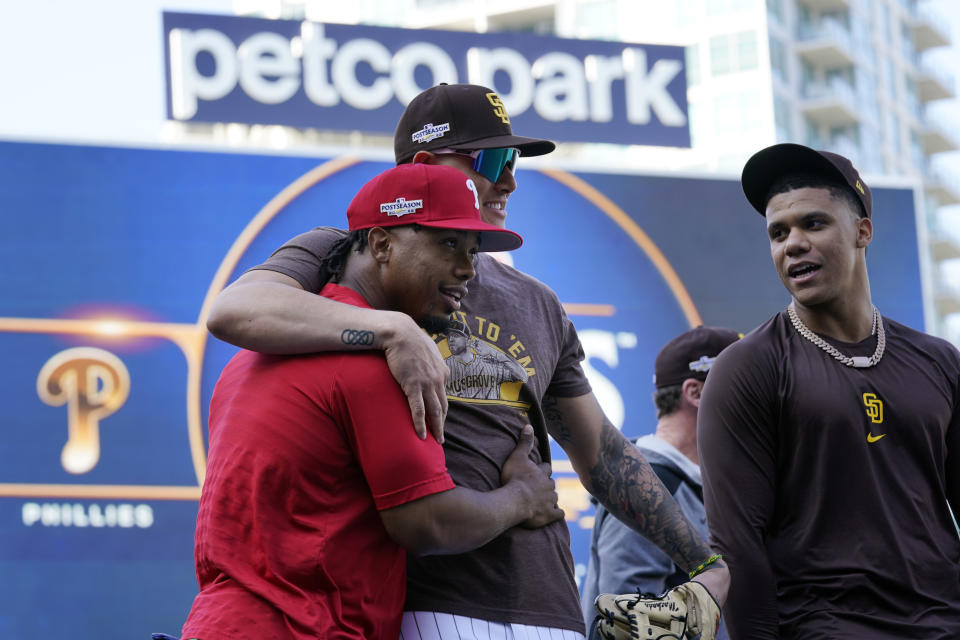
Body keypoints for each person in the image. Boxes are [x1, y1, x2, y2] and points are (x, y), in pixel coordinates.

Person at [207, 83, 729, 638]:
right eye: (495, 159)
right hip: (427, 602)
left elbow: (602, 454)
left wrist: (705, 564)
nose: (510, 179)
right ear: (428, 164)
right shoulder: (348, 251)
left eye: (515, 161)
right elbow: (234, 309)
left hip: (548, 604)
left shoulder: (539, 302)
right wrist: (394, 330)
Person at [179, 163, 565, 640]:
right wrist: (521, 498)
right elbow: (427, 524)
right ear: (381, 245)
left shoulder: (248, 358)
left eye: (472, 250)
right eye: (448, 245)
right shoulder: (381, 364)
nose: (468, 269)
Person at [698, 143, 960, 639]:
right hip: (826, 628)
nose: (792, 244)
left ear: (862, 231)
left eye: (813, 224)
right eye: (779, 233)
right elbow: (737, 547)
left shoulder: (939, 361)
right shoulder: (748, 367)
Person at [581, 326, 738, 639]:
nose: (761, 401)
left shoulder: (701, 485)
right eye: (746, 387)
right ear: (695, 393)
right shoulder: (647, 488)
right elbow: (625, 627)